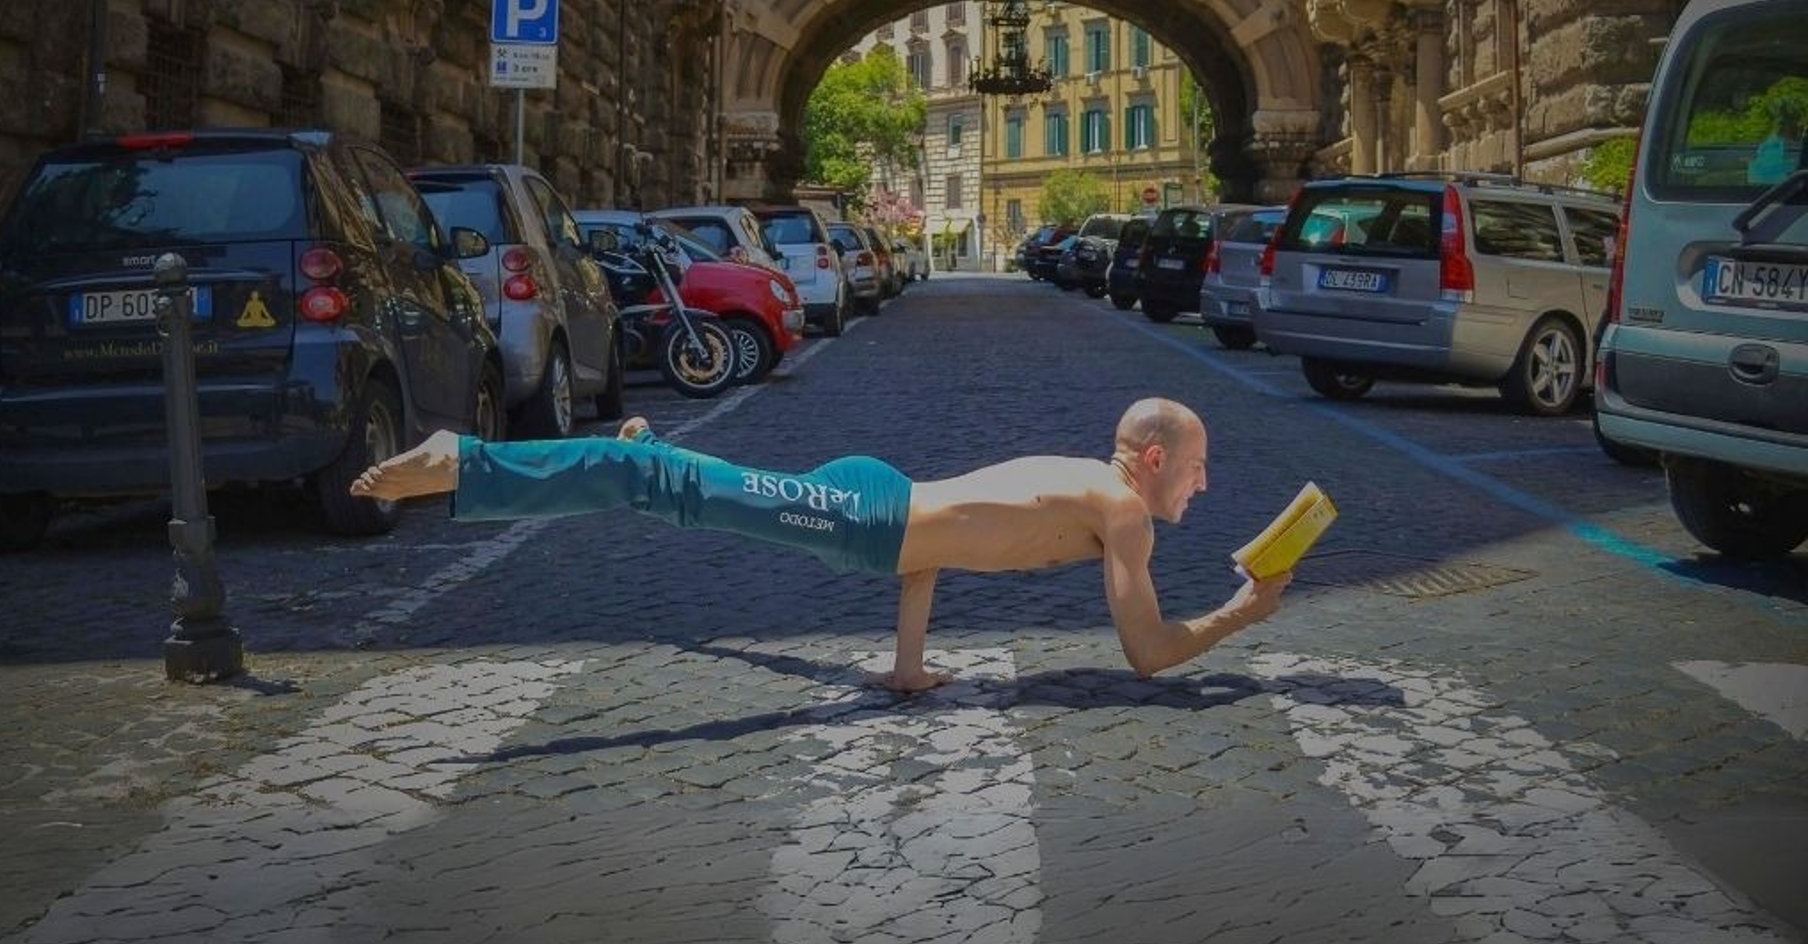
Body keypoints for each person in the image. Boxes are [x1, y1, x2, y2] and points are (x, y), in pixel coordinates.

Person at [350, 398, 1291, 692]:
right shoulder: (1118, 511)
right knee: (655, 485)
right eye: (1199, 468)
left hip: (878, 517)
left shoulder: (1092, 490)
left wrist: (907, 669)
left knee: (687, 493)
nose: (1206, 486)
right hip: (860, 517)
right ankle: (464, 460)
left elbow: (942, 546)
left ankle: (656, 455)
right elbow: (1149, 655)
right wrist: (1246, 611)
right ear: (1156, 458)